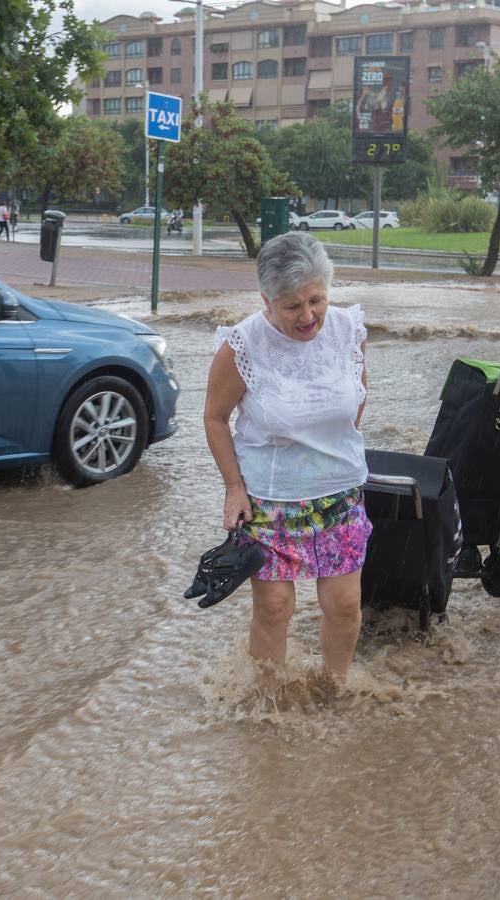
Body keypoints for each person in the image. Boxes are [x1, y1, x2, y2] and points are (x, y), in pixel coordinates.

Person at [202, 230, 371, 688]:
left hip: (339, 494)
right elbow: (215, 418)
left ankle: (333, 689)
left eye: (316, 299)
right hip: (270, 500)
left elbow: (357, 397)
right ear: (266, 300)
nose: (309, 315)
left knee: (344, 605)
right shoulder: (243, 346)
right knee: (275, 607)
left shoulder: (348, 330)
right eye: (292, 305)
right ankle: (267, 705)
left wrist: (327, 442)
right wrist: (234, 488)